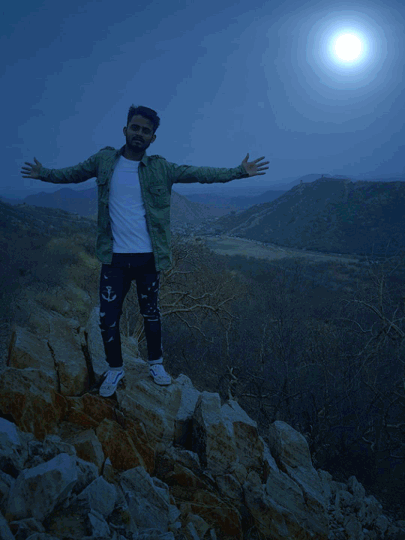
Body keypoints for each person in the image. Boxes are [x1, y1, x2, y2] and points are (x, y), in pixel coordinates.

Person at [21, 104, 270, 397]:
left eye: (146, 131)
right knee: (107, 318)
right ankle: (115, 369)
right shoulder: (104, 160)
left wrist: (239, 172)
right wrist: (44, 173)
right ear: (125, 130)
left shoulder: (161, 168)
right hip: (114, 258)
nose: (139, 133)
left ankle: (156, 364)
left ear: (153, 138)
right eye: (135, 127)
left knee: (151, 314)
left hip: (147, 258)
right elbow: (73, 174)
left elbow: (200, 173)